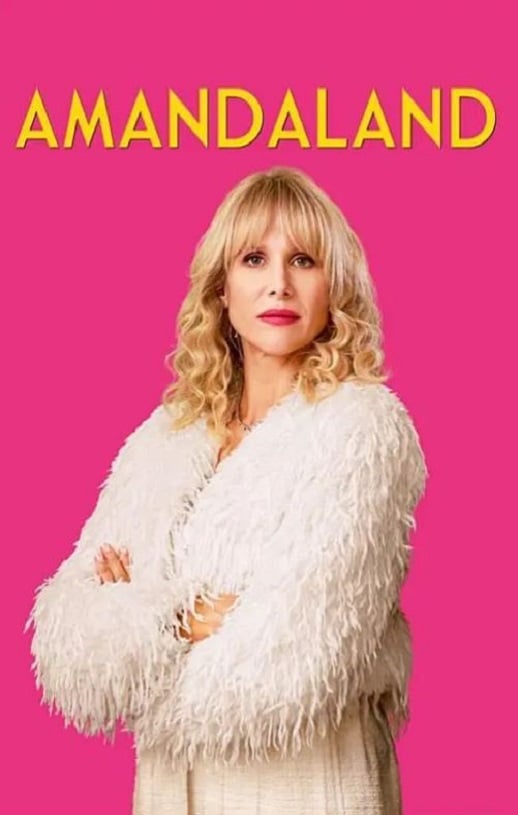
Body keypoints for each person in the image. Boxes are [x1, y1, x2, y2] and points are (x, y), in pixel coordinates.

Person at [25, 166, 428, 815]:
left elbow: (300, 647)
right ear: (222, 287)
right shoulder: (166, 438)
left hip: (305, 777)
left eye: (304, 259)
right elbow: (76, 627)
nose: (279, 283)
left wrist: (146, 615)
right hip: (171, 783)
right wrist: (183, 618)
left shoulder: (360, 429)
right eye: (254, 259)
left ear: (333, 285)